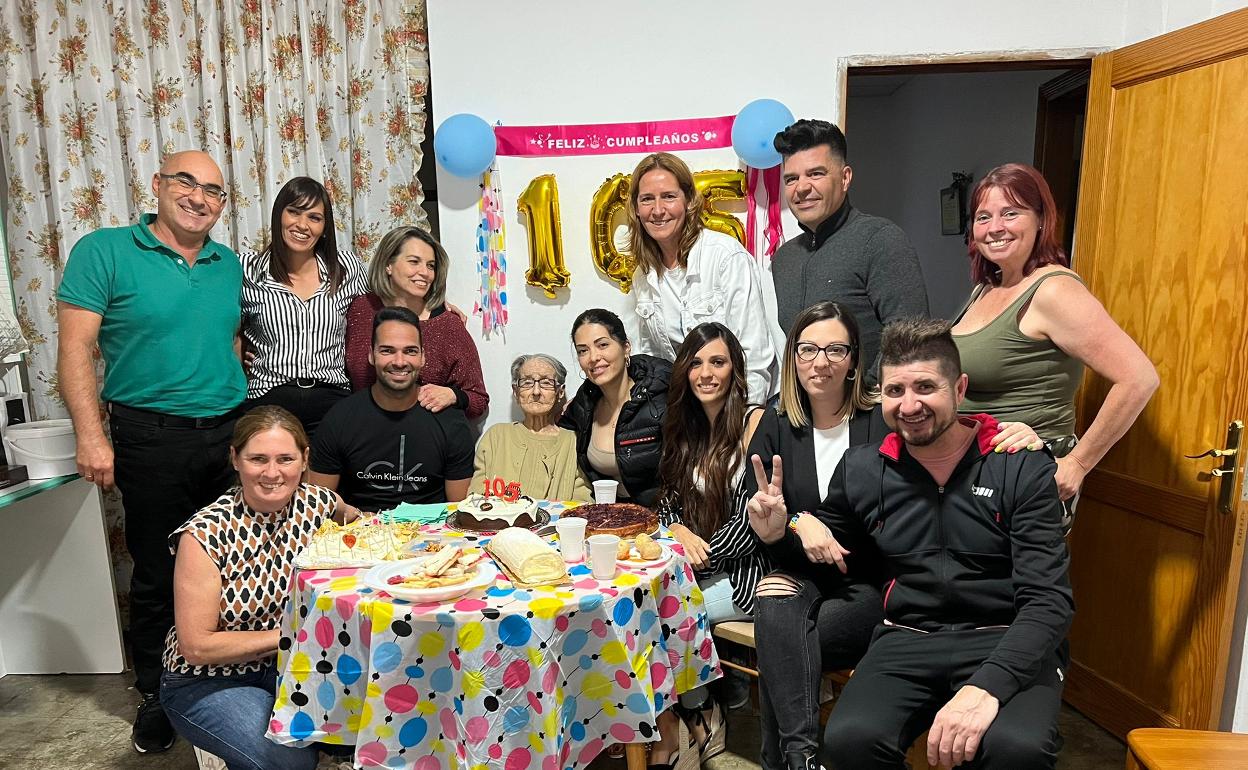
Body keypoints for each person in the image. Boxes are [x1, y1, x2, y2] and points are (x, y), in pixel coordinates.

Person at [749, 318, 1074, 770]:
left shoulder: (1018, 466)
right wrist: (782, 531)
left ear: (959, 388)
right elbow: (832, 557)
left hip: (1005, 635)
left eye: (925, 387)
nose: (909, 405)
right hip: (908, 636)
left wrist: (988, 687)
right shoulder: (864, 469)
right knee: (849, 740)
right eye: (895, 390)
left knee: (1016, 749)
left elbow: (1049, 601)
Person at [58, 149, 245, 754]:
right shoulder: (105, 251)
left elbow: (228, 342)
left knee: (234, 567)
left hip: (228, 435)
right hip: (150, 435)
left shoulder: (226, 263)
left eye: (213, 190)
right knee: (161, 571)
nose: (199, 198)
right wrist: (91, 435)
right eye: (187, 182)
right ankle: (157, 694)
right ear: (158, 185)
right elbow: (75, 349)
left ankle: (224, 680)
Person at [953, 163, 1158, 525]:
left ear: (1041, 220)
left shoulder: (1054, 291)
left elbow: (1139, 379)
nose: (995, 227)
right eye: (983, 217)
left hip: (1022, 477)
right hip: (974, 472)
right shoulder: (987, 288)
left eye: (1010, 213)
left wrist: (1077, 462)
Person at [160, 406, 360, 770]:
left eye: (285, 459)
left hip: (293, 667)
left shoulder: (318, 503)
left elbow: (359, 524)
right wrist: (294, 633)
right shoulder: (204, 535)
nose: (272, 473)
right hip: (210, 680)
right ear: (235, 459)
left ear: (304, 460)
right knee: (288, 762)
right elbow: (196, 647)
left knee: (373, 718)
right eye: (258, 459)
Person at [647, 323, 768, 768]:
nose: (705, 373)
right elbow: (668, 503)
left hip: (750, 572)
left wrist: (701, 555)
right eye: (695, 363)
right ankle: (694, 712)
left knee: (668, 614)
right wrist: (678, 531)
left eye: (717, 361)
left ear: (735, 368)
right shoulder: (687, 427)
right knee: (652, 609)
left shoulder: (756, 422)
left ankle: (698, 716)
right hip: (699, 566)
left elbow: (756, 519)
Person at [770, 119, 929, 383]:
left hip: (870, 404)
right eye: (791, 178)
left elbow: (910, 339)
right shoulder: (784, 259)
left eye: (816, 174)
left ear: (845, 178)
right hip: (805, 406)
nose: (802, 187)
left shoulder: (880, 239)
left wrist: (862, 397)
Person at [625, 152, 781, 404]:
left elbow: (755, 355)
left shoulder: (725, 256)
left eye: (669, 196)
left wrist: (747, 415)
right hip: (689, 408)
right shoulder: (643, 275)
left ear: (688, 200)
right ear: (636, 208)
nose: (658, 210)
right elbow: (654, 361)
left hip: (739, 402)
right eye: (647, 199)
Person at [310, 306, 474, 511]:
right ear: (371, 355)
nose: (399, 362)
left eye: (410, 351)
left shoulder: (451, 421)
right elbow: (319, 507)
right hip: (359, 527)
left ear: (423, 357)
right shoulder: (339, 419)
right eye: (387, 350)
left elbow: (459, 512)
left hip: (431, 530)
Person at [240, 177, 367, 434]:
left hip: (331, 397)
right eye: (294, 212)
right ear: (279, 215)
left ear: (325, 226)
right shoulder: (248, 268)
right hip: (269, 396)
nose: (302, 225)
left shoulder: (346, 268)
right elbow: (219, 316)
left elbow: (382, 304)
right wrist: (239, 351)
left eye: (314, 217)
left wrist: (432, 303)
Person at [344, 226, 488, 420]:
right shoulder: (360, 309)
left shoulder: (448, 325)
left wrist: (453, 395)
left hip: (423, 432)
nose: (425, 273)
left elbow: (478, 400)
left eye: (431, 265)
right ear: (388, 264)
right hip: (361, 430)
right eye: (414, 262)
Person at [558, 308, 670, 509]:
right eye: (583, 350)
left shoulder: (662, 397)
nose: (593, 357)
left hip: (664, 516)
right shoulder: (582, 406)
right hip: (610, 515)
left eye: (602, 345)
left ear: (625, 347)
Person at [471, 353, 592, 501]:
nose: (536, 392)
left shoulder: (573, 441)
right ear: (516, 391)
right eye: (527, 382)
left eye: (546, 383)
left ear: (560, 392)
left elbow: (582, 504)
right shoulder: (496, 436)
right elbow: (475, 500)